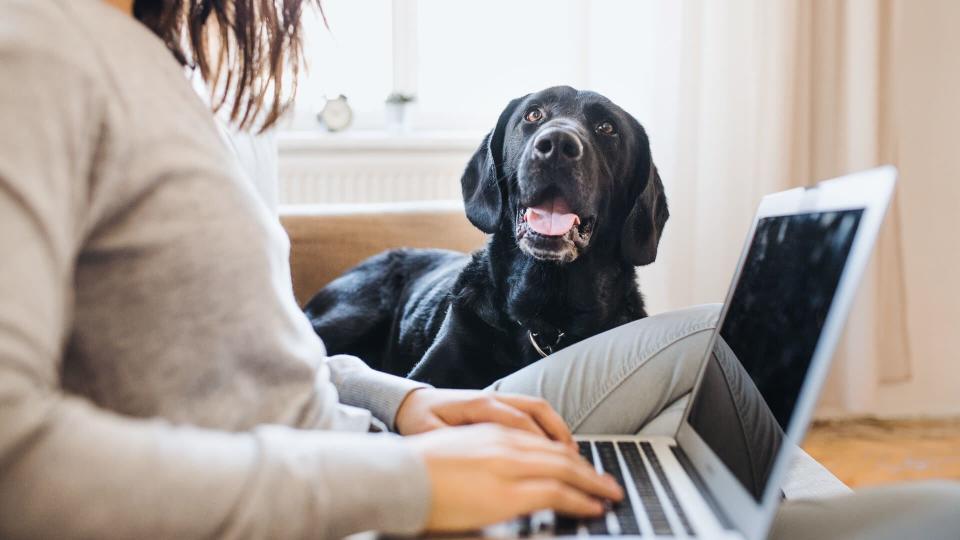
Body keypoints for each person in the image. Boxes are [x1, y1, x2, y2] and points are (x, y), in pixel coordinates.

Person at [0, 1, 957, 539]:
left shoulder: (157, 75)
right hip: (360, 500)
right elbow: (17, 461)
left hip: (373, 454)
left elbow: (253, 358)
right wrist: (408, 482)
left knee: (808, 463)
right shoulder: (40, 51)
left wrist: (403, 403)